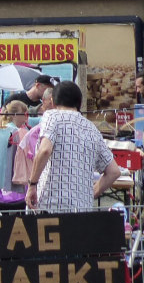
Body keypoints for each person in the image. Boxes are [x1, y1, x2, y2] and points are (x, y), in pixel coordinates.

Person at [26, 80, 121, 212]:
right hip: (82, 209)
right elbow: (114, 172)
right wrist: (90, 194)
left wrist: (32, 184)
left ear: (53, 101)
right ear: (80, 103)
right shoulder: (91, 128)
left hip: (51, 205)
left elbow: (45, 150)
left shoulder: (51, 116)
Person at [0, 100, 27, 192]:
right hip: (14, 177)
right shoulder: (18, 132)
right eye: (23, 114)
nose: (25, 117)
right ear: (14, 115)